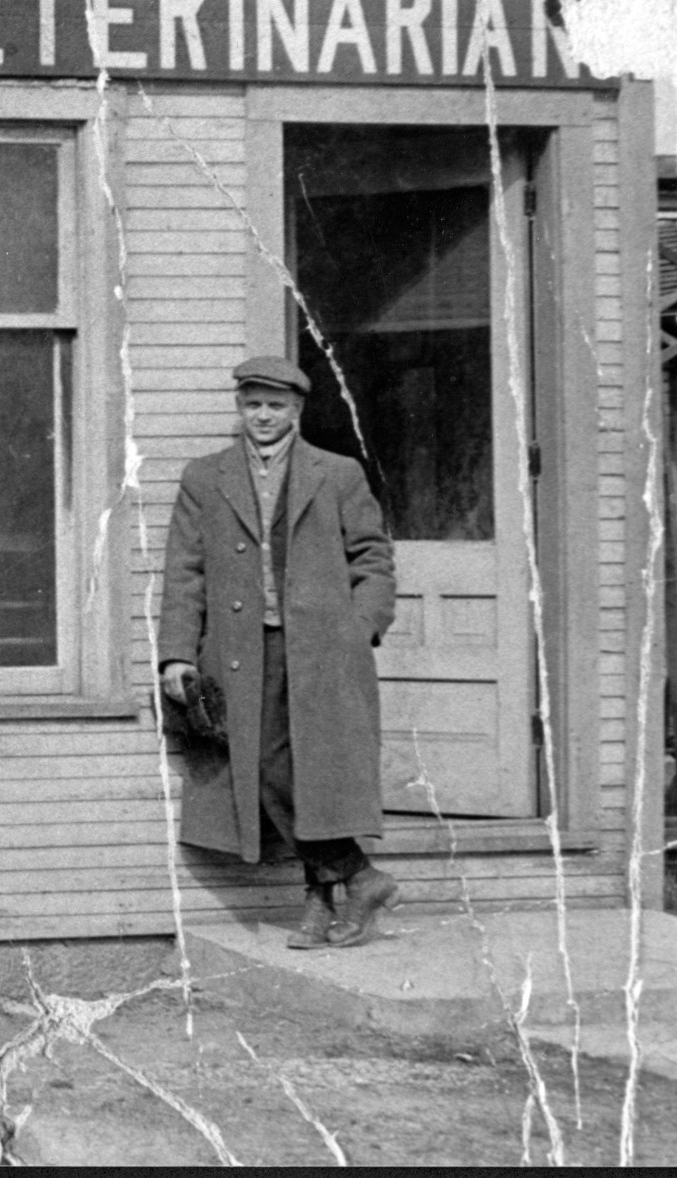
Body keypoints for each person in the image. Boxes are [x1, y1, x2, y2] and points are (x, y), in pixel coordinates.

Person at [158, 356, 401, 949]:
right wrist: (177, 654)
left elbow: (373, 558)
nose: (263, 416)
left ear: (296, 411)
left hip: (323, 652)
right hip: (241, 652)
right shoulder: (205, 476)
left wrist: (359, 628)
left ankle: (318, 904)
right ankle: (359, 877)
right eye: (253, 405)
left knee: (315, 773)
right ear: (239, 408)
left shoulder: (337, 473)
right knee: (265, 768)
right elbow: (185, 572)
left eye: (275, 406)